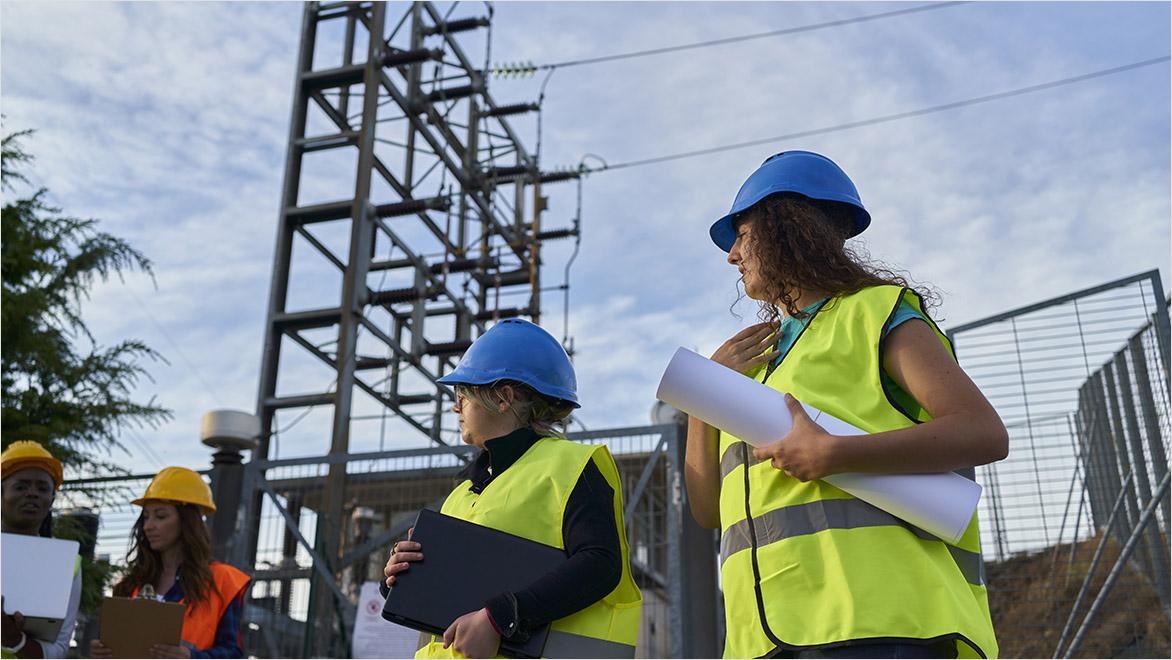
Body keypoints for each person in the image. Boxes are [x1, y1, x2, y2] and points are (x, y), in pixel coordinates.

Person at [684, 150, 1008, 659]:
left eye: (742, 234)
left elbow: (983, 432)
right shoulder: (754, 364)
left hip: (882, 625)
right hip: (766, 641)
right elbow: (707, 512)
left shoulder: (875, 313)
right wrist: (703, 397)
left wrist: (834, 454)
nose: (731, 255)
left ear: (785, 226)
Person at [382, 318, 642, 659]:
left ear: (504, 397)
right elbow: (449, 595)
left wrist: (501, 617)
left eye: (464, 393)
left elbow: (599, 564)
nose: (455, 406)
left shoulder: (572, 465)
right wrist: (400, 577)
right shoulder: (463, 492)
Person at [90, 467, 249, 659]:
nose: (148, 526)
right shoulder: (129, 585)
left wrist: (192, 658)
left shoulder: (223, 581)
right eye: (146, 517)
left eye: (161, 516)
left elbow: (233, 654)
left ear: (187, 521)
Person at [1, 441, 81, 659]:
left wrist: (15, 641)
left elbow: (59, 649)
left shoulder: (66, 563)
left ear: (51, 501)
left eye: (43, 488)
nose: (33, 494)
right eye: (21, 486)